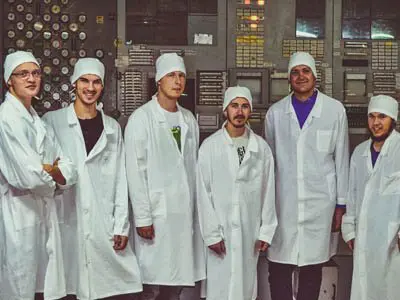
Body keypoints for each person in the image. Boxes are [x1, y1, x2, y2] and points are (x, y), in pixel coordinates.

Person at [42, 58, 142, 299]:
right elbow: (47, 171)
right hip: (66, 212)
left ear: (102, 86)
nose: (90, 87)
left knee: (110, 284)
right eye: (84, 81)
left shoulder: (112, 127)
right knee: (67, 284)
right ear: (74, 84)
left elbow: (120, 179)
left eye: (96, 82)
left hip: (102, 216)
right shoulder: (52, 121)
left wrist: (121, 225)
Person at [264, 51, 349, 300]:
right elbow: (269, 165)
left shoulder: (334, 111)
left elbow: (341, 159)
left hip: (319, 205)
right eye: (295, 72)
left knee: (312, 268)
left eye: (306, 71)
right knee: (279, 266)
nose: (301, 76)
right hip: (283, 204)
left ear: (315, 76)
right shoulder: (275, 114)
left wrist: (340, 205)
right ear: (289, 79)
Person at [125, 52, 205, 300]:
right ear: (159, 80)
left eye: (181, 75)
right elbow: (135, 172)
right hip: (155, 214)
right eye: (171, 75)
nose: (177, 81)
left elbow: (192, 169)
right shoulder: (141, 119)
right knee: (151, 281)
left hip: (183, 214)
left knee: (177, 281)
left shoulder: (189, 120)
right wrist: (143, 218)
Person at [0, 51, 77, 300]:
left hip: (41, 210)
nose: (31, 79)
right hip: (18, 210)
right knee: (19, 282)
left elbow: (68, 167)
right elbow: (29, 176)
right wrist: (52, 175)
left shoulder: (38, 121)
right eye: (23, 74)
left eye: (35, 73)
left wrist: (52, 171)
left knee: (42, 285)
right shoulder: (6, 118)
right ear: (9, 81)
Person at [197, 86, 277, 300]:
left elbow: (268, 191)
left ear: (250, 111)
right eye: (234, 106)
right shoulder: (210, 147)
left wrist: (266, 231)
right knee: (219, 288)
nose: (239, 112)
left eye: (244, 106)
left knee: (245, 287)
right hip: (219, 233)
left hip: (249, 232)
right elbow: (202, 194)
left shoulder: (261, 149)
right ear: (225, 110)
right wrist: (211, 234)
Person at [342, 95, 400, 300]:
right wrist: (349, 230)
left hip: (393, 240)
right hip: (364, 237)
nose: (376, 123)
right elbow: (353, 194)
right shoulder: (359, 153)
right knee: (364, 289)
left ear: (393, 120)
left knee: (391, 288)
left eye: (382, 117)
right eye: (372, 117)